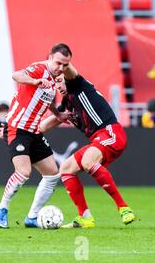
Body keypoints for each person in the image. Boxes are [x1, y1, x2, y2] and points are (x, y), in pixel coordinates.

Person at [38, 63, 136, 228]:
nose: (59, 86)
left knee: (88, 161)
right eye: (56, 83)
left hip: (111, 132)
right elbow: (44, 126)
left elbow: (70, 69)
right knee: (66, 168)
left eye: (61, 80)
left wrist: (60, 63)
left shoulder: (79, 86)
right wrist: (18, 131)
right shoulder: (66, 106)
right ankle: (85, 217)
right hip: (97, 140)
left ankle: (124, 207)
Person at [0, 43, 71, 229]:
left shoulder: (56, 79)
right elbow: (16, 75)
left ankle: (32, 217)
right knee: (23, 172)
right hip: (18, 128)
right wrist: (33, 81)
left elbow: (47, 99)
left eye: (65, 65)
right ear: (50, 57)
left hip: (34, 131)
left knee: (53, 174)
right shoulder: (38, 69)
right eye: (59, 63)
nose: (61, 68)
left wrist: (57, 114)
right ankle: (2, 208)